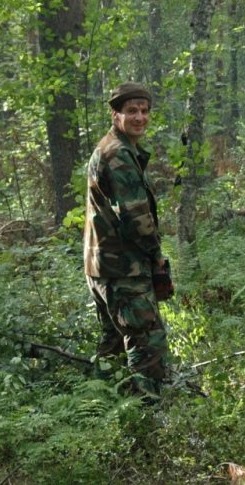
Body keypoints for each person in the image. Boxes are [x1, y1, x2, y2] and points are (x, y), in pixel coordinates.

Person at [84, 82, 170, 405]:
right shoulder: (119, 155)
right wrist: (157, 257)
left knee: (113, 346)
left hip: (103, 267)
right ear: (116, 114)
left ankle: (99, 411)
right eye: (132, 111)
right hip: (123, 271)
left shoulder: (112, 148)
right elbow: (137, 219)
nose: (140, 117)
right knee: (147, 345)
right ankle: (149, 423)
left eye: (145, 111)